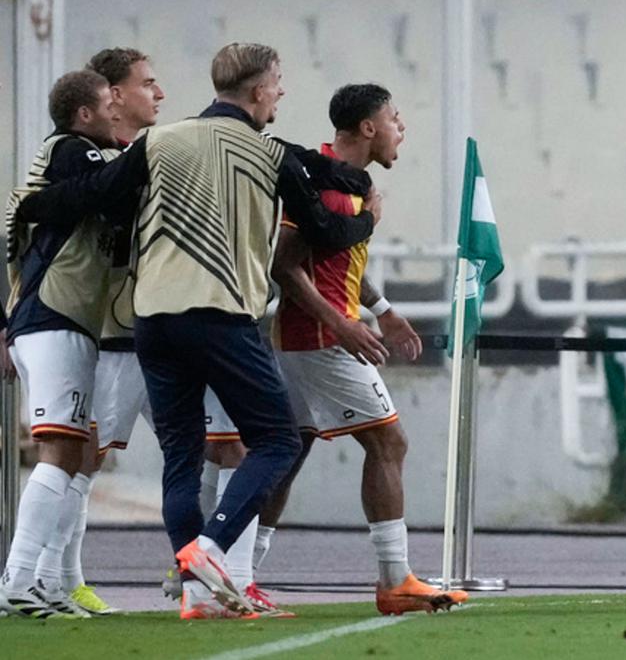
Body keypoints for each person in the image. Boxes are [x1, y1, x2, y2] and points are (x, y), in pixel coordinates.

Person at [12, 43, 377, 619]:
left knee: (182, 456)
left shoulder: (161, 141)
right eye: (278, 82)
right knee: (278, 439)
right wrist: (367, 218)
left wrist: (28, 204)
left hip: (153, 321)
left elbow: (92, 195)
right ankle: (206, 553)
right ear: (258, 91)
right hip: (220, 316)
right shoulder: (268, 152)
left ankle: (197, 595)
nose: (281, 92)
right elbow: (326, 231)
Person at [212, 84, 463, 615]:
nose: (402, 129)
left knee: (290, 448)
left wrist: (382, 308)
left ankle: (241, 577)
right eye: (395, 118)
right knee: (388, 443)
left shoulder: (340, 181)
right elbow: (286, 265)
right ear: (369, 128)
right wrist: (342, 325)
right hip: (322, 338)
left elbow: (334, 262)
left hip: (307, 335)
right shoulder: (328, 189)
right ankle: (395, 580)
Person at [0, 70, 121, 618]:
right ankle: (17, 581)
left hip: (62, 319)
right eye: (109, 102)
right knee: (57, 451)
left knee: (71, 452)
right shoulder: (75, 151)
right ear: (85, 115)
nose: (118, 110)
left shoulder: (68, 159)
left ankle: (44, 583)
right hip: (53, 316)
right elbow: (114, 188)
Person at [50, 47, 165, 617]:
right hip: (115, 336)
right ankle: (58, 578)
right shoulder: (77, 158)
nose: (160, 94)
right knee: (80, 458)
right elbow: (34, 225)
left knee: (225, 449)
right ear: (111, 97)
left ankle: (209, 573)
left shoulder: (139, 155)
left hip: (167, 330)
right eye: (148, 83)